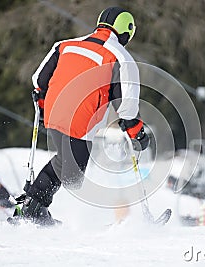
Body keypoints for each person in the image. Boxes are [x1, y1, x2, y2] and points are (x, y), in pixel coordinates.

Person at [18, 7, 149, 224]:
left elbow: (39, 78)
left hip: (53, 112)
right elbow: (125, 103)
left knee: (66, 165)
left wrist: (41, 100)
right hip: (82, 120)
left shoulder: (65, 45)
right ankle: (32, 207)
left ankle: (33, 207)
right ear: (127, 32)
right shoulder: (120, 57)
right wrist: (136, 130)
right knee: (72, 175)